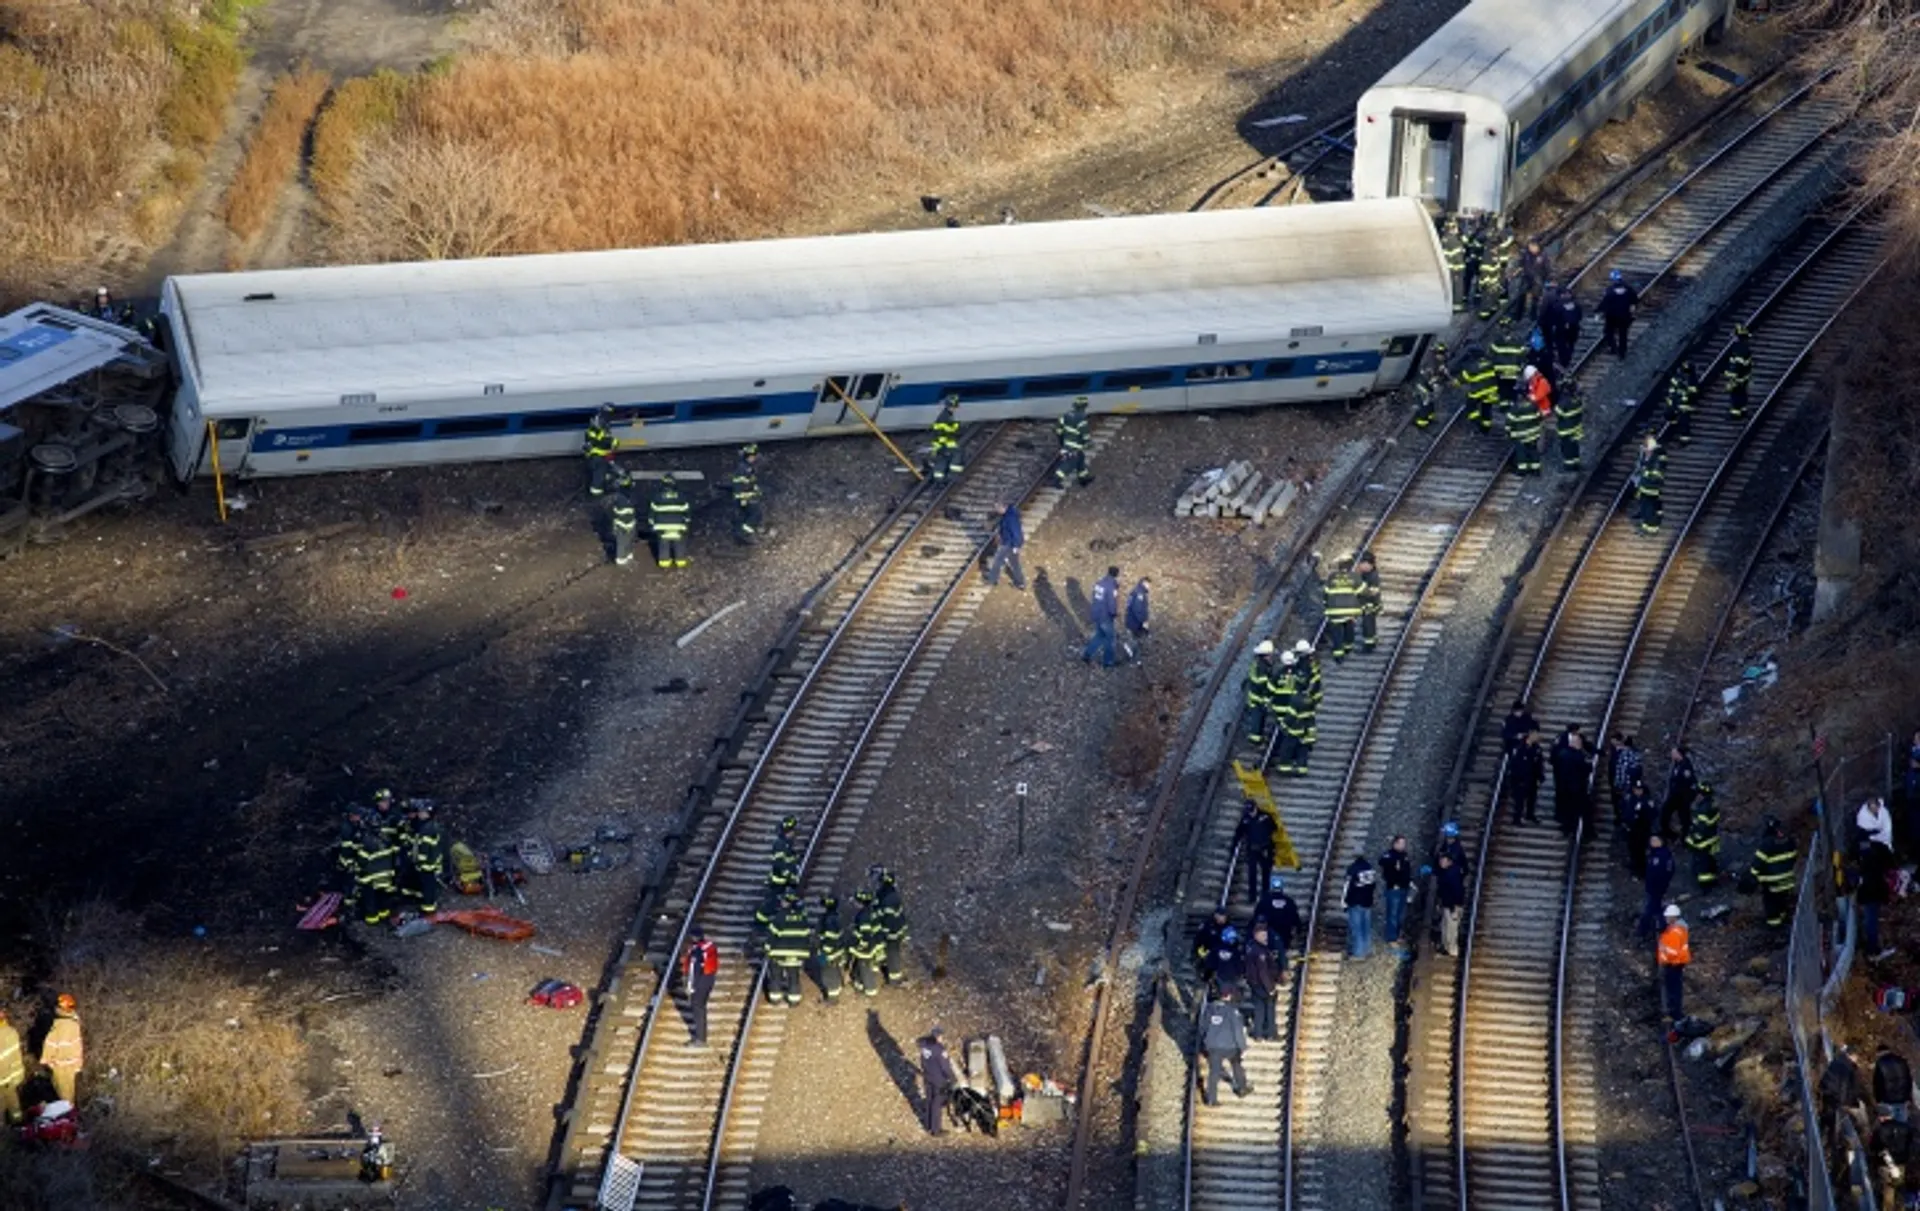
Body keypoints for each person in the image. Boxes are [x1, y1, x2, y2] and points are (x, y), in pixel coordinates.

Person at [1199, 987, 1251, 1106]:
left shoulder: (1209, 1009)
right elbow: (1237, 1030)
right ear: (1228, 996)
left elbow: (1203, 1027)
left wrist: (1205, 1043)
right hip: (1229, 1046)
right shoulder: (1232, 1011)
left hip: (1213, 1045)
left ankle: (1212, 1099)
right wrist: (1242, 1046)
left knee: (1214, 1072)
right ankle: (1241, 1087)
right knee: (1236, 1065)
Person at [764, 892, 813, 1006]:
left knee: (775, 975)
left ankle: (775, 998)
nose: (782, 903)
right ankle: (794, 999)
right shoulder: (802, 917)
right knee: (793, 975)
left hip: (778, 953)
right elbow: (807, 935)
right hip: (797, 953)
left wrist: (767, 949)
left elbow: (772, 935)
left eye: (784, 901)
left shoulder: (780, 916)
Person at [1751, 816, 1797, 927]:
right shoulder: (1789, 841)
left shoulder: (1766, 844)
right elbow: (1793, 858)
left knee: (1771, 903)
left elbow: (1757, 864)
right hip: (1788, 880)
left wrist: (1751, 877)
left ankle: (1774, 925)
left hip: (1771, 882)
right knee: (1782, 900)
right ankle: (1783, 917)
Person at [1551, 726, 1594, 837]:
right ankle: (1583, 831)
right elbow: (1586, 769)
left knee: (1567, 808)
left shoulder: (1562, 754)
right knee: (1582, 809)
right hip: (1577, 787)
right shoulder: (1578, 756)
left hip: (1565, 786)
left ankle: (1567, 828)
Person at [1234, 799, 1278, 907]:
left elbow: (1274, 827)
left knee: (1265, 872)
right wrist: (1233, 847)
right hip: (1252, 849)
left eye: (1251, 810)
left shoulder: (1265, 817)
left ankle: (1265, 895)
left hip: (1265, 848)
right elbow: (1238, 833)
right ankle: (1252, 897)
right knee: (1252, 873)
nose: (1250, 813)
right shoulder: (1246, 819)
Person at [1859, 832, 1895, 962]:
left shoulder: (1861, 850)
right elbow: (1889, 866)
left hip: (1866, 891)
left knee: (1869, 920)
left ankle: (1871, 949)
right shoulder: (1878, 850)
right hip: (1873, 892)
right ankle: (1872, 951)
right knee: (1871, 921)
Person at [41, 993, 82, 1104]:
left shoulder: (60, 1025)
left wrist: (46, 1060)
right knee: (70, 1092)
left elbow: (50, 1044)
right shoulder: (74, 1022)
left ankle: (68, 1116)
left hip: (61, 1065)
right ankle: (71, 1113)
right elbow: (77, 1046)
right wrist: (78, 1065)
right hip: (72, 1065)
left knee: (63, 1095)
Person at [1253, 874, 1302, 967]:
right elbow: (1296, 918)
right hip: (1285, 934)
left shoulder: (1264, 901)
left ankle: (1271, 968)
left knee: (1269, 952)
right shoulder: (1289, 901)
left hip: (1269, 933)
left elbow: (1256, 916)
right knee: (1282, 952)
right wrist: (1298, 930)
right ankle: (1282, 968)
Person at [681, 929, 720, 1045]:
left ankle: (700, 1039)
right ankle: (701, 1037)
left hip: (700, 981)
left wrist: (690, 987)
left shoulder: (696, 952)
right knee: (701, 1007)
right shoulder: (709, 946)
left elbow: (693, 971)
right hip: (709, 978)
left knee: (697, 1007)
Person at [874, 868, 912, 986]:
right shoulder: (892, 895)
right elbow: (895, 917)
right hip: (892, 932)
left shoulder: (882, 893)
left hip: (886, 930)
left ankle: (883, 967)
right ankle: (894, 980)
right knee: (893, 954)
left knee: (887, 952)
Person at [1244, 923, 1281, 1041]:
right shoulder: (1260, 952)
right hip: (1263, 985)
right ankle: (1271, 1034)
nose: (1265, 937)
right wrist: (1270, 988)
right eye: (1262, 935)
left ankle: (1258, 1034)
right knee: (1269, 1009)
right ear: (1256, 935)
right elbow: (1263, 972)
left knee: (1259, 1010)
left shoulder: (1250, 948)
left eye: (1265, 934)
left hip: (1254, 984)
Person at [917, 1026, 957, 1135]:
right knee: (937, 1102)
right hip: (938, 1079)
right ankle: (936, 1129)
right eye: (941, 1036)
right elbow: (945, 1067)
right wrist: (953, 1078)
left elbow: (922, 1061)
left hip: (928, 1076)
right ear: (938, 1037)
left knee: (929, 1099)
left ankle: (927, 1124)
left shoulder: (924, 1046)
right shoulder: (939, 1049)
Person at [1322, 555, 1363, 659]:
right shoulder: (1354, 577)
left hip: (1334, 611)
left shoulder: (1332, 577)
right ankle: (1348, 648)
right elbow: (1362, 593)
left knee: (1337, 633)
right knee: (1349, 628)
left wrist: (1326, 605)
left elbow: (1326, 593)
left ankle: (1338, 655)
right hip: (1350, 611)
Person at [1657, 905, 1690, 1031]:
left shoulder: (1676, 931)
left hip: (1674, 964)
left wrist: (1663, 948)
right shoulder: (1676, 928)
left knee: (1674, 990)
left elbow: (1673, 951)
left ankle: (1676, 1015)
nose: (1666, 918)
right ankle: (1673, 1013)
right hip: (1675, 963)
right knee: (1673, 989)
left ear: (1673, 917)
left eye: (1667, 916)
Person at [1082, 565, 1121, 668]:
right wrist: (1114, 613)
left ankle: (1087, 654)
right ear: (1116, 575)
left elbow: (1095, 598)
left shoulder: (1099, 583)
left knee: (1100, 635)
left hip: (1097, 614)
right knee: (1110, 638)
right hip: (1105, 616)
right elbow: (1111, 603)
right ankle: (1108, 662)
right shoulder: (1111, 587)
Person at [1504, 373, 1542, 475]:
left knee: (1521, 452)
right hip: (1533, 434)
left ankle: (1522, 470)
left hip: (1521, 435)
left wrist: (1508, 433)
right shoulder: (1533, 405)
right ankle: (1536, 469)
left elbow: (1509, 422)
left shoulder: (1515, 408)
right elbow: (1539, 417)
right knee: (1533, 451)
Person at [650, 476, 691, 569]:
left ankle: (664, 564)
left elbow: (651, 515)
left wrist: (652, 526)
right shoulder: (681, 496)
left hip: (662, 529)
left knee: (663, 546)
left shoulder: (657, 497)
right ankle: (680, 562)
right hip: (678, 528)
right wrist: (686, 525)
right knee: (679, 545)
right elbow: (687, 514)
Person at [1241, 640, 1277, 747]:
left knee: (1259, 717)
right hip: (1258, 697)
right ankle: (1255, 739)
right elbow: (1263, 684)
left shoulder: (1258, 663)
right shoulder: (1262, 667)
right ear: (1266, 655)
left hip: (1255, 695)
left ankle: (1258, 738)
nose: (1271, 657)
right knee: (1257, 718)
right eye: (1270, 654)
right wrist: (1269, 694)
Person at [1685, 783, 1721, 888]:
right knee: (1710, 860)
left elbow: (1700, 829)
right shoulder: (1711, 804)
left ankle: (1706, 885)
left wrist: (1691, 840)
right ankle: (1712, 877)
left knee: (1703, 865)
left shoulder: (1703, 809)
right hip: (1711, 839)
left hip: (1703, 843)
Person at [850, 890, 885, 996]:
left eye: (856, 901)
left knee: (864, 967)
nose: (854, 903)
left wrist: (859, 948)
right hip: (875, 944)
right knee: (860, 966)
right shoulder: (872, 911)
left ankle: (870, 990)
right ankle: (859, 983)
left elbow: (865, 935)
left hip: (866, 948)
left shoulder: (863, 916)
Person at [1639, 835, 1674, 941]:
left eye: (1655, 840)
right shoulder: (1654, 853)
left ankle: (1643, 930)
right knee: (1656, 908)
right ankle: (1661, 927)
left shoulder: (1662, 856)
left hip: (1657, 887)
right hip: (1652, 886)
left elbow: (1667, 872)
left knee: (1650, 909)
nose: (1652, 842)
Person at [1458, 344, 1499, 434]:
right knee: (1486, 409)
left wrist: (1456, 382)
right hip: (1492, 390)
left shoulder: (1471, 366)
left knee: (1470, 407)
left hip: (1478, 392)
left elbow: (1463, 379)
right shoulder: (1490, 362)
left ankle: (1478, 423)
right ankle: (1486, 428)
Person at [985, 501, 1027, 590]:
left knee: (997, 561)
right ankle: (1020, 583)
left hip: (1009, 544)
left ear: (1002, 507)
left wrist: (1016, 546)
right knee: (1015, 564)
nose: (996, 511)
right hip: (1009, 543)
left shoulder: (1010, 517)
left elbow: (1017, 533)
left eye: (997, 508)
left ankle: (992, 580)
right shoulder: (1007, 515)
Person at [814, 895, 848, 1002]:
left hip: (828, 953)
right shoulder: (836, 917)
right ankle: (835, 990)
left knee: (827, 973)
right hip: (836, 951)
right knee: (833, 970)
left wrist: (824, 952)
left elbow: (828, 938)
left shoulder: (827, 920)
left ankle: (832, 998)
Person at [1380, 835, 1413, 946]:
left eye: (1404, 843)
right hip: (1394, 889)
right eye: (1401, 843)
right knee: (1393, 914)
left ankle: (1398, 935)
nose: (1403, 845)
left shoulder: (1405, 855)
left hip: (1404, 888)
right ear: (1395, 844)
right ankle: (1391, 937)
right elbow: (1382, 861)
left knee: (1400, 914)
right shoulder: (1389, 855)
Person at [1343, 852, 1376, 959]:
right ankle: (1368, 950)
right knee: (1366, 927)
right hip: (1367, 902)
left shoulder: (1352, 869)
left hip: (1355, 902)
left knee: (1356, 929)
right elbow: (1373, 886)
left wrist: (1344, 902)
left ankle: (1358, 953)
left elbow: (1347, 888)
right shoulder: (1370, 868)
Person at [1053, 397, 1093, 487]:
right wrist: (1088, 443)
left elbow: (1058, 430)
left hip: (1067, 443)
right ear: (1084, 407)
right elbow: (1085, 434)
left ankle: (1084, 478)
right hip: (1075, 446)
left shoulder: (1067, 415)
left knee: (1081, 458)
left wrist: (1062, 441)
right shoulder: (1081, 418)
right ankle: (1056, 479)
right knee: (1070, 464)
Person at [1598, 269, 1639, 357]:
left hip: (1612, 316)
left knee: (1608, 332)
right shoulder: (1628, 289)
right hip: (1625, 316)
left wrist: (1598, 311)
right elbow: (1634, 300)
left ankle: (1613, 348)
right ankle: (1622, 352)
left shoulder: (1610, 291)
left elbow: (1605, 302)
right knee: (1623, 334)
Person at [1660, 744, 1697, 839]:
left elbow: (1689, 781)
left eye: (1673, 753)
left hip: (1682, 797)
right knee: (1665, 814)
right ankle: (1668, 833)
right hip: (1675, 795)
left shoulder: (1685, 766)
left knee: (1684, 818)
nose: (1671, 755)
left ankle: (1685, 836)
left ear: (1679, 754)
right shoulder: (1677, 764)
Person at [730, 445, 765, 543]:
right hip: (744, 498)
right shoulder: (743, 469)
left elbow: (751, 483)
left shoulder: (747, 467)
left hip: (747, 497)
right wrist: (745, 498)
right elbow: (739, 486)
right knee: (756, 515)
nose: (753, 458)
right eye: (752, 456)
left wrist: (757, 491)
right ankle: (744, 535)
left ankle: (745, 534)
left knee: (751, 516)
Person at [1633, 431, 1666, 535]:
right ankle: (1645, 527)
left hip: (1651, 487)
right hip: (1645, 486)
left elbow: (1655, 474)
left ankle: (1651, 529)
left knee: (1649, 509)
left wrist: (1644, 471)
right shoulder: (1648, 452)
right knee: (1645, 507)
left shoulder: (1657, 455)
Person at [1622, 776, 1655, 878]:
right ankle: (1633, 864)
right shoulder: (1631, 798)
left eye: (1639, 789)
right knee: (1632, 849)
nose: (1637, 791)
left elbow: (1652, 814)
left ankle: (1641, 872)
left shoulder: (1647, 801)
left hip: (1641, 831)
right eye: (1636, 789)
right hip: (1631, 830)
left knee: (1640, 852)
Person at [1508, 733, 1544, 825]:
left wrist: (1540, 776)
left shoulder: (1537, 748)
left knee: (1532, 798)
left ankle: (1530, 814)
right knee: (1519, 800)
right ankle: (1517, 818)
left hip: (1532, 777)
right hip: (1521, 777)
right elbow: (1515, 764)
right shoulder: (1520, 747)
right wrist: (1517, 777)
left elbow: (1539, 764)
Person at [1436, 852, 1467, 957]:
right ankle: (1446, 947)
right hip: (1447, 904)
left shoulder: (1451, 875)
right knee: (1445, 927)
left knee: (1451, 928)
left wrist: (1454, 907)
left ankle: (1452, 949)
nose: (1441, 862)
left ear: (1449, 862)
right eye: (1440, 860)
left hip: (1452, 906)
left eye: (1443, 860)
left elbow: (1456, 891)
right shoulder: (1450, 871)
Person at [584, 404, 619, 496]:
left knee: (607, 472)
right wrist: (613, 442)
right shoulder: (599, 425)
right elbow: (601, 440)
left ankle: (604, 485)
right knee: (599, 475)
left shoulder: (600, 421)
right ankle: (596, 493)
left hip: (600, 454)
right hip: (598, 456)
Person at [1194, 907, 1233, 990]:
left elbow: (1232, 941)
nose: (1222, 919)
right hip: (1206, 950)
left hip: (1220, 952)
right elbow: (1198, 939)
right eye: (1220, 916)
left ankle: (1215, 985)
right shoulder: (1207, 925)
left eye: (1224, 917)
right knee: (1206, 967)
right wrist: (1198, 951)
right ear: (1216, 916)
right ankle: (1204, 980)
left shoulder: (1228, 927)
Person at [1516, 239, 1552, 324]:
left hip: (1537, 280)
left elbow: (1547, 268)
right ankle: (1518, 315)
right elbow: (1521, 264)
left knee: (1535, 299)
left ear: (1537, 247)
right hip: (1526, 278)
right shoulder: (1526, 254)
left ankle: (1533, 316)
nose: (1530, 248)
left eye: (1532, 247)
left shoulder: (1543, 255)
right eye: (1529, 247)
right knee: (1521, 296)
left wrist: (1545, 279)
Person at [927, 396, 963, 481]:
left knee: (942, 460)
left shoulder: (946, 415)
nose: (954, 409)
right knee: (957, 454)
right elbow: (943, 432)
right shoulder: (945, 417)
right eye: (954, 407)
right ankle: (953, 475)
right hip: (944, 442)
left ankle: (939, 479)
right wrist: (956, 426)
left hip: (940, 443)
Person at [1663, 363, 1699, 446]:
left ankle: (1684, 439)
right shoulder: (1678, 378)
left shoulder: (1692, 378)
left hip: (1684, 404)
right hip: (1675, 402)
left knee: (1684, 421)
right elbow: (1672, 387)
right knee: (1668, 414)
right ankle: (1673, 429)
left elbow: (1693, 391)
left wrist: (1685, 388)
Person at [1876, 1046, 1915, 1124]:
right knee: (1903, 1124)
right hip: (1902, 1099)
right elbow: (1908, 1080)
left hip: (1887, 1100)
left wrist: (1878, 1099)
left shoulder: (1880, 1063)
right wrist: (1909, 1097)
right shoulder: (1901, 1061)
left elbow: (1878, 1083)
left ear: (1879, 1053)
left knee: (1889, 1125)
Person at [1353, 550, 1382, 652]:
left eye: (1362, 564)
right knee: (1369, 625)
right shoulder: (1367, 574)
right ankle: (1372, 642)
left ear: (1368, 564)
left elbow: (1371, 592)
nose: (1360, 566)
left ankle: (1369, 645)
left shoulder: (1372, 576)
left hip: (1370, 605)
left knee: (1368, 626)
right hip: (1368, 604)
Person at [1723, 323, 1753, 419]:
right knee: (1742, 394)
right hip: (1744, 376)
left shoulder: (1738, 348)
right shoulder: (1745, 347)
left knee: (1735, 395)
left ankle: (1735, 414)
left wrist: (1731, 377)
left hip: (1738, 377)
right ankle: (1743, 410)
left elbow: (1737, 365)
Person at [1553, 378, 1584, 471]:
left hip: (1566, 430)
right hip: (1576, 429)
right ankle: (1576, 464)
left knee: (1567, 449)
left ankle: (1568, 467)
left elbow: (1558, 412)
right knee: (1575, 447)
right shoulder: (1577, 401)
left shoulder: (1564, 402)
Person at [1550, 286, 1583, 369]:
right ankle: (1567, 358)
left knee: (1561, 345)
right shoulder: (1576, 305)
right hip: (1574, 327)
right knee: (1570, 344)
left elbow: (1554, 318)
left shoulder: (1557, 305)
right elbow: (1579, 316)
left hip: (1561, 329)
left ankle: (1564, 361)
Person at [610, 473, 638, 566]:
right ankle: (621, 558)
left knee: (626, 539)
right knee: (624, 540)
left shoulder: (619, 497)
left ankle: (626, 555)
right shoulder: (624, 497)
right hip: (624, 523)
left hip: (624, 523)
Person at [0, 1009, 22, 1125]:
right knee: (14, 1102)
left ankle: (2, 1130)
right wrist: (18, 1077)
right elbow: (17, 1056)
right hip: (10, 1077)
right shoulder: (12, 1032)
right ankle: (18, 1124)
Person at [1124, 577, 1152, 662]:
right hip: (1135, 622)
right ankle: (1133, 656)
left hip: (1131, 620)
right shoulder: (1140, 594)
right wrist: (1143, 621)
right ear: (1144, 583)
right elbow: (1138, 609)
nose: (1149, 587)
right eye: (1149, 584)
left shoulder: (1135, 591)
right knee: (1135, 640)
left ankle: (1132, 653)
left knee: (1136, 638)